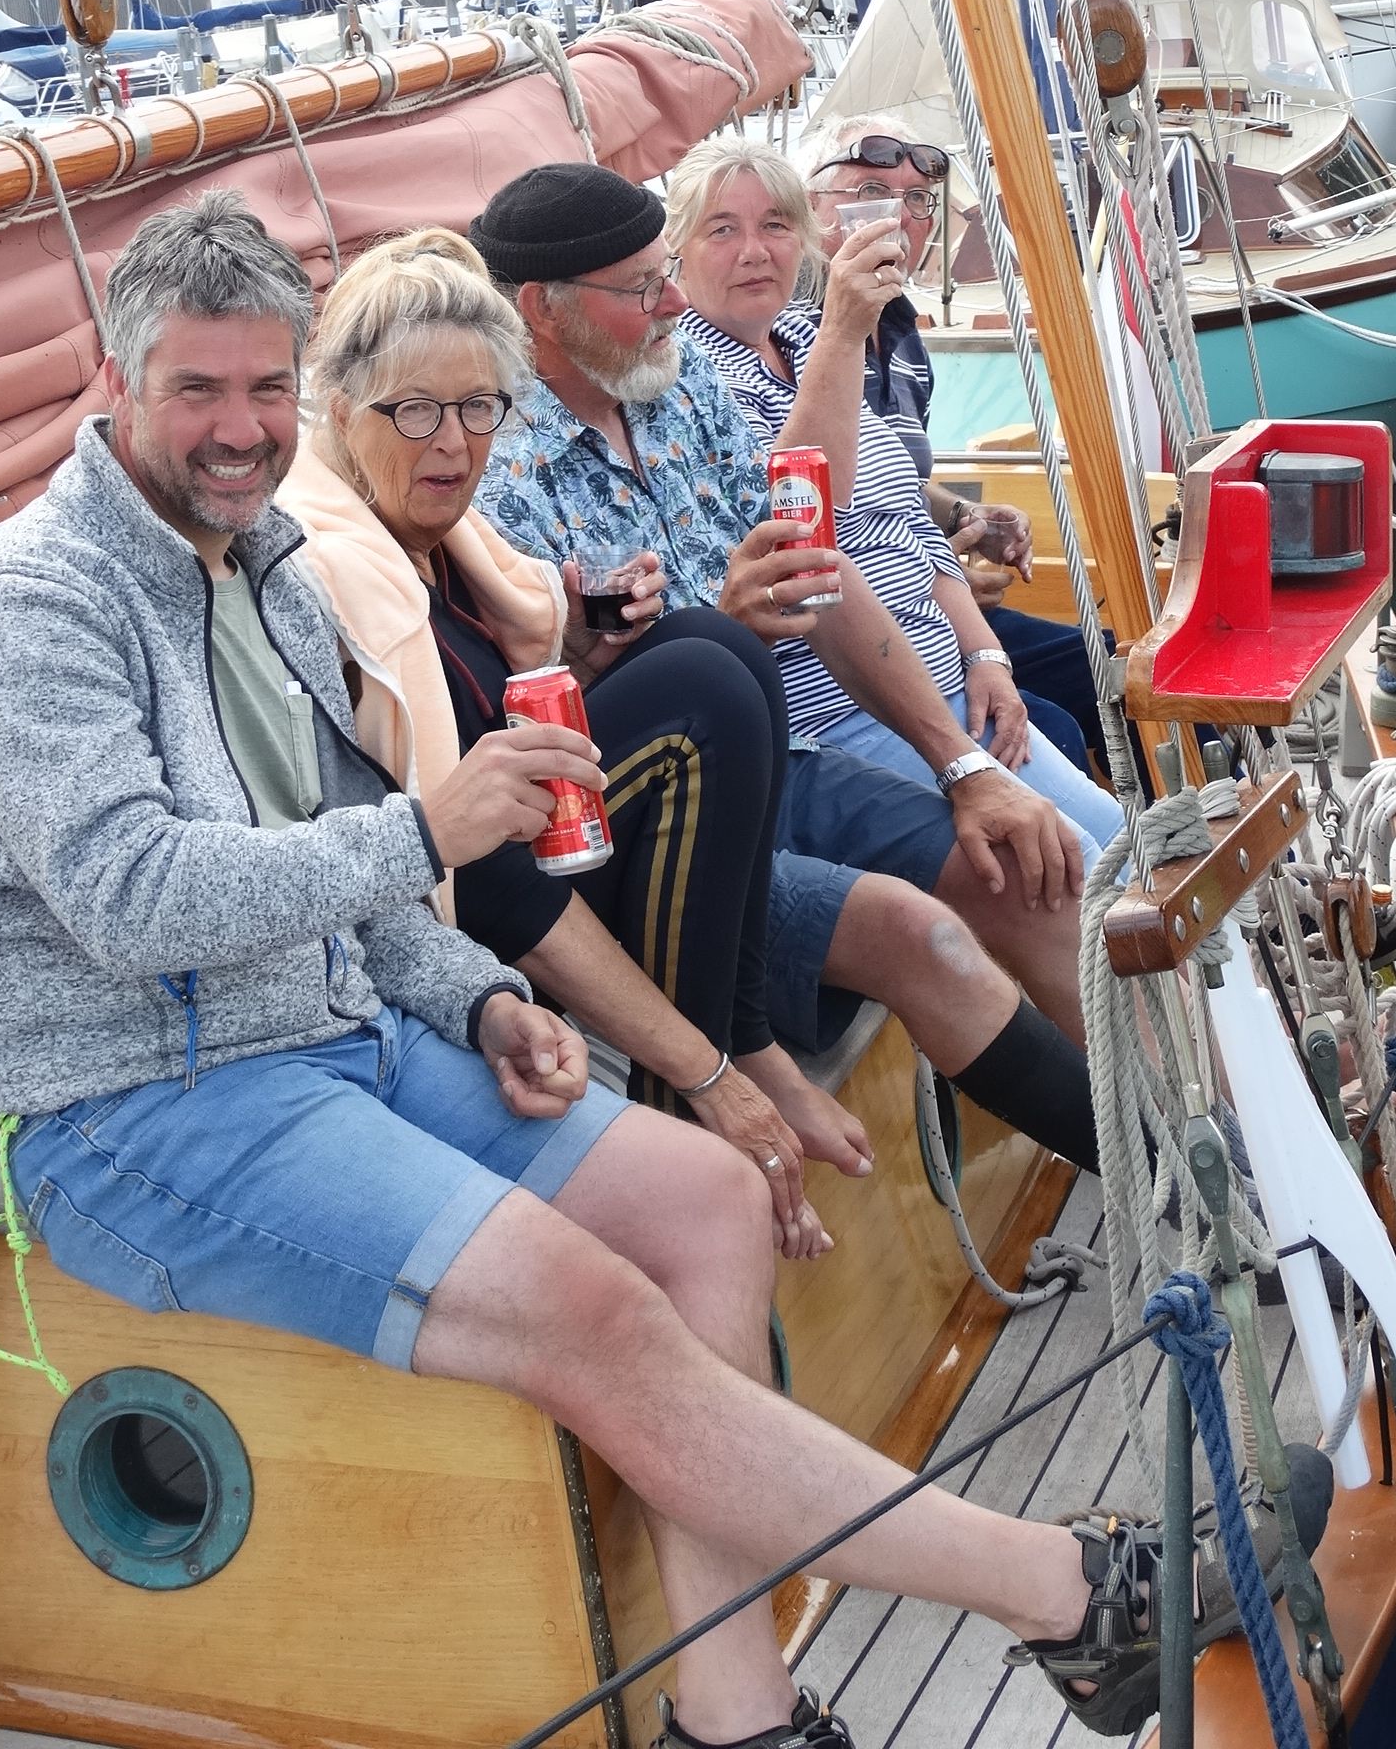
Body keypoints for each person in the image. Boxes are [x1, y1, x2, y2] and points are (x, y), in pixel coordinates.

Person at [0, 189, 1323, 1749]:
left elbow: (357, 876)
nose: (238, 430)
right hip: (144, 1106)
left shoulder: (269, 567)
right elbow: (131, 898)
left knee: (707, 1201)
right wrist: (430, 830)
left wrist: (480, 999)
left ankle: (735, 1716)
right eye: (196, 390)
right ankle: (1069, 1594)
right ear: (116, 383)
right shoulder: (30, 605)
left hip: (346, 1034)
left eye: (260, 389)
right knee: (593, 1308)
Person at [470, 162, 1104, 1133]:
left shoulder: (678, 386)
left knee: (1035, 867)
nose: (674, 302)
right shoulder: (492, 472)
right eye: (642, 288)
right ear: (540, 311)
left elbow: (816, 569)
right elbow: (562, 739)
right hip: (663, 828)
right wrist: (719, 624)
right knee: (934, 930)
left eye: (664, 275)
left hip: (788, 759)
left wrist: (966, 767)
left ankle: (1194, 1171)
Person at [281, 226, 831, 1258]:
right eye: (415, 411)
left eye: (479, 407)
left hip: (518, 860)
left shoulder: (447, 544)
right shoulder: (328, 578)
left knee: (716, 647)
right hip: (453, 918)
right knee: (704, 687)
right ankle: (697, 1089)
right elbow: (476, 874)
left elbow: (492, 716)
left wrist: (579, 648)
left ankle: (736, 1041)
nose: (454, 444)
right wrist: (715, 1081)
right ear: (343, 413)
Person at [668, 137, 1121, 874]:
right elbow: (806, 515)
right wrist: (846, 330)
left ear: (801, 239)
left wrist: (986, 657)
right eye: (722, 229)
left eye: (774, 225)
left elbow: (906, 517)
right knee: (1082, 863)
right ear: (676, 253)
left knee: (1123, 841)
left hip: (948, 684)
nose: (754, 250)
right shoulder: (690, 381)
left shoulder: (802, 338)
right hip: (846, 710)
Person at [800, 114, 1115, 775]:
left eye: (917, 200)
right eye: (869, 191)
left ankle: (1193, 820)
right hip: (867, 631)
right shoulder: (795, 339)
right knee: (1055, 724)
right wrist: (940, 577)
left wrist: (965, 516)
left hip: (933, 600)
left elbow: (892, 482)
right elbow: (809, 504)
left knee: (1118, 667)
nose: (896, 216)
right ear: (809, 204)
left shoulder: (904, 336)